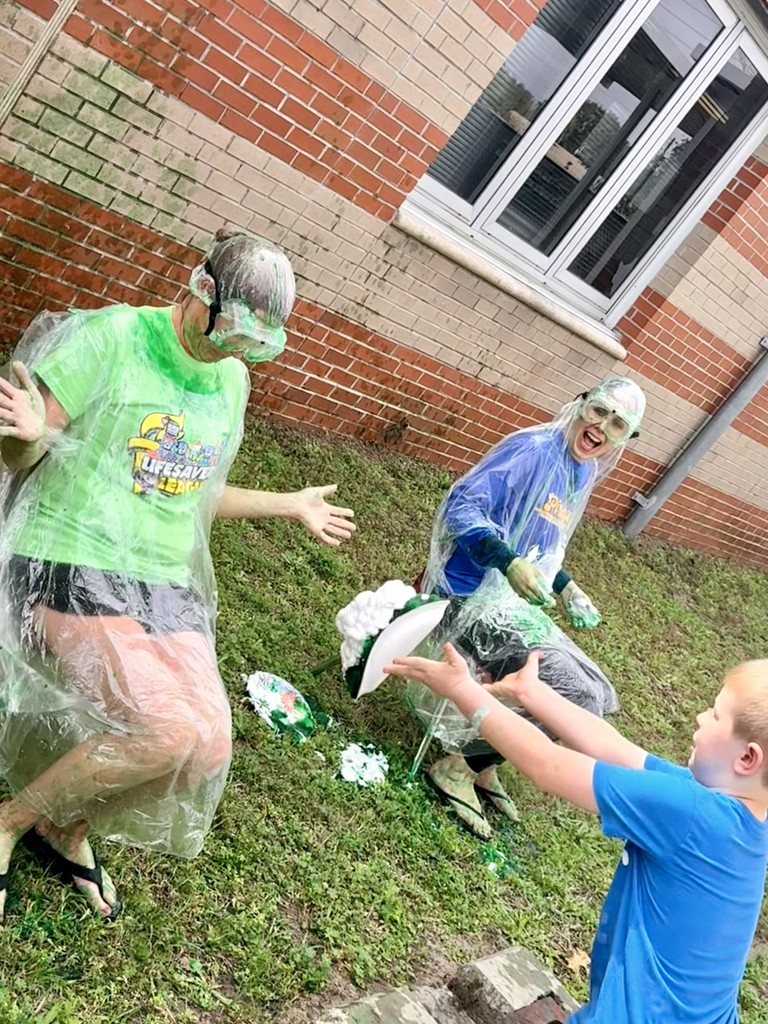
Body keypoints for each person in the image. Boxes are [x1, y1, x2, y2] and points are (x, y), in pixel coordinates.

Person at [0, 230, 356, 921]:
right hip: (67, 560)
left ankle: (65, 826)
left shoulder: (232, 379)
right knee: (164, 732)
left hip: (161, 581)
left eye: (253, 344)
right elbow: (26, 451)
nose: (234, 350)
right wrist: (22, 432)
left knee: (207, 746)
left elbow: (193, 489)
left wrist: (290, 505)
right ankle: (9, 821)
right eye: (231, 332)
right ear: (199, 290)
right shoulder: (110, 339)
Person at [386, 644, 768, 1023]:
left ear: (748, 758)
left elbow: (546, 765)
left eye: (716, 715)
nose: (701, 718)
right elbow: (615, 748)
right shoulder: (742, 815)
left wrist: (460, 689)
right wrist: (532, 693)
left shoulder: (691, 812)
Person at [418, 378, 645, 838]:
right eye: (599, 411)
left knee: (597, 692)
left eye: (618, 424)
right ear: (581, 404)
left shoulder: (580, 470)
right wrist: (508, 561)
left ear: (625, 439)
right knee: (572, 693)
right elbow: (462, 509)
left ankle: (486, 761)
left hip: (504, 602)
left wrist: (567, 588)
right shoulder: (534, 451)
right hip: (463, 598)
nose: (602, 427)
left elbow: (541, 547)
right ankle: (458, 767)